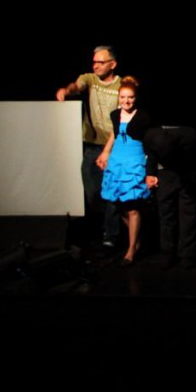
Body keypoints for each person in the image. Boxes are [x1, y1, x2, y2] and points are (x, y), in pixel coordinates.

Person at [56, 45, 121, 247]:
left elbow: (122, 121)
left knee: (112, 190)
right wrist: (66, 91)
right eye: (94, 62)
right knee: (92, 192)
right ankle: (103, 225)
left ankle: (111, 235)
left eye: (100, 62)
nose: (96, 66)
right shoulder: (90, 79)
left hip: (114, 146)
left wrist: (108, 150)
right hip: (92, 145)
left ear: (113, 64)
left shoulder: (121, 85)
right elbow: (77, 85)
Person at [96, 76, 157, 265]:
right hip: (117, 162)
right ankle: (135, 240)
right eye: (123, 97)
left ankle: (131, 251)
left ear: (135, 98)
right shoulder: (115, 115)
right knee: (119, 204)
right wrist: (105, 153)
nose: (126, 101)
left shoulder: (143, 117)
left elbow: (150, 143)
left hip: (133, 162)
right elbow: (114, 135)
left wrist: (150, 168)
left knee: (132, 207)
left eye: (130, 97)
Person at [144, 125, 196, 269]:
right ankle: (168, 253)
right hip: (166, 175)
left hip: (187, 174)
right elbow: (151, 153)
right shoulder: (156, 133)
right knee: (167, 216)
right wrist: (150, 173)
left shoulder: (188, 133)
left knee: (188, 216)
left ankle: (187, 254)